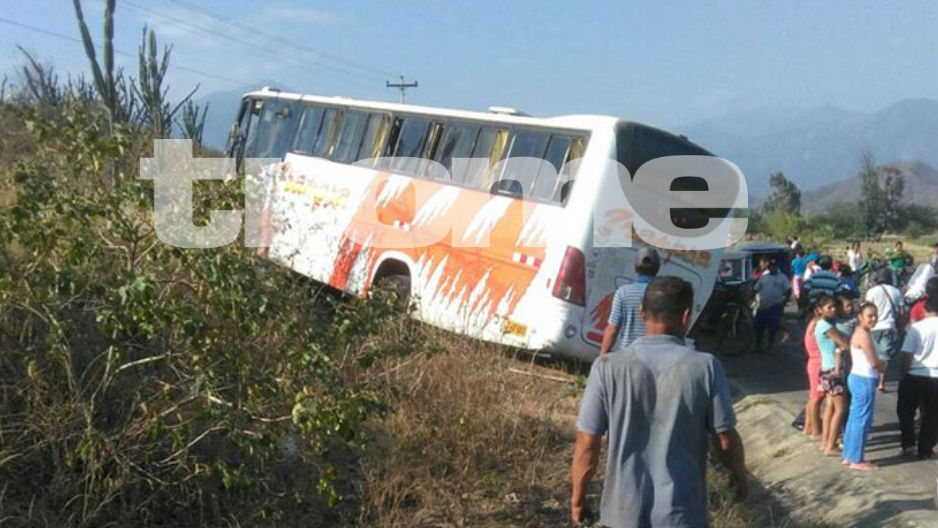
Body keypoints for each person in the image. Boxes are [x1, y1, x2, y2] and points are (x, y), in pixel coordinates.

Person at [571, 277, 747, 527]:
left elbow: (588, 443)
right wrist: (740, 477)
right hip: (682, 514)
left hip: (622, 514)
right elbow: (725, 439)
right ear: (686, 317)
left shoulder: (606, 367)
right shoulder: (706, 367)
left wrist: (577, 499)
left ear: (642, 312)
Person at [842, 302, 887, 471]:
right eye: (870, 316)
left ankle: (849, 455)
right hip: (864, 379)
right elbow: (873, 362)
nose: (873, 319)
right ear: (860, 317)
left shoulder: (861, 333)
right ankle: (856, 459)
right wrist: (882, 365)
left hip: (858, 377)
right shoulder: (863, 335)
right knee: (862, 420)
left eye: (875, 315)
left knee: (855, 419)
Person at [896, 294, 938, 459]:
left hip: (914, 374)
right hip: (936, 377)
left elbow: (907, 354)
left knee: (906, 412)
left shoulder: (917, 328)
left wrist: (903, 373)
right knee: (931, 414)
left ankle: (908, 445)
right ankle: (925, 448)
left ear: (925, 309)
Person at [599, 247, 661, 356]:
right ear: (657, 269)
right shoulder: (662, 295)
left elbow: (612, 329)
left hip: (627, 356)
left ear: (635, 268)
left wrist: (602, 357)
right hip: (652, 359)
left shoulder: (623, 293)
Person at [816, 294, 851, 456]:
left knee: (830, 407)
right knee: (840, 409)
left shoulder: (820, 325)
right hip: (834, 371)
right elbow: (845, 344)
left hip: (826, 369)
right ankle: (831, 445)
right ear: (820, 310)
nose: (833, 310)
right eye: (829, 307)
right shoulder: (826, 327)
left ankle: (826, 442)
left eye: (834, 306)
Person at [865, 267, 905, 392]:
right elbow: (902, 311)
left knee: (871, 354)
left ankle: (871, 379)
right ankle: (881, 382)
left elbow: (866, 309)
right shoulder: (896, 291)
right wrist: (902, 326)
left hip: (873, 327)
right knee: (884, 356)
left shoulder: (871, 291)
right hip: (888, 327)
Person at [753, 255, 791, 351]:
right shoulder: (764, 276)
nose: (771, 269)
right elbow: (756, 288)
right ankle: (758, 345)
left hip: (775, 306)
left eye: (773, 267)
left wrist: (784, 301)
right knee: (759, 327)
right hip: (762, 306)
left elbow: (788, 290)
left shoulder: (782, 277)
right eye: (770, 267)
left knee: (772, 327)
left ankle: (769, 345)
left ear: (776, 267)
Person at [803, 301, 824, 439]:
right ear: (818, 310)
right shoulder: (819, 324)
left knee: (813, 397)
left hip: (814, 362)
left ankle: (808, 427)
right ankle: (815, 430)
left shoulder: (813, 323)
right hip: (818, 364)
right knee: (817, 398)